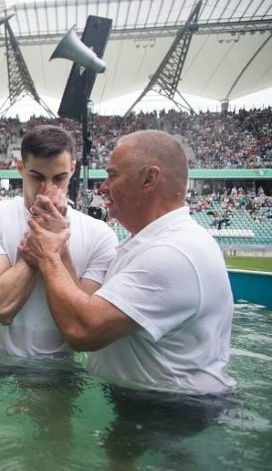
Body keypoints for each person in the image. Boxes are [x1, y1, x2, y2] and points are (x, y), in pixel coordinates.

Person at [21, 129, 235, 394]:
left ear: (148, 179)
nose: (103, 187)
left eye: (112, 175)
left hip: (171, 416)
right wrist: (60, 245)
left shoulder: (172, 253)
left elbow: (81, 330)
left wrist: (48, 256)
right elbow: (82, 305)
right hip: (161, 407)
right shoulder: (160, 242)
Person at [0, 125, 117, 361]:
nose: (47, 189)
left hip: (54, 369)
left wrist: (55, 246)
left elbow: (81, 321)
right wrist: (43, 234)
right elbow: (1, 308)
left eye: (59, 178)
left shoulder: (100, 235)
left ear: (72, 169)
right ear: (20, 168)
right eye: (37, 177)